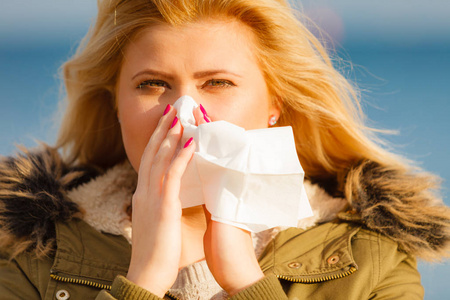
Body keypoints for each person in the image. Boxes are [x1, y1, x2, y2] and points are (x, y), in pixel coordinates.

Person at [0, 0, 448, 299]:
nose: (184, 111)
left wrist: (244, 281)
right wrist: (142, 281)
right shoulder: (28, 255)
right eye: (153, 84)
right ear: (115, 105)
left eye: (217, 83)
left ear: (275, 104)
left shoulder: (371, 261)